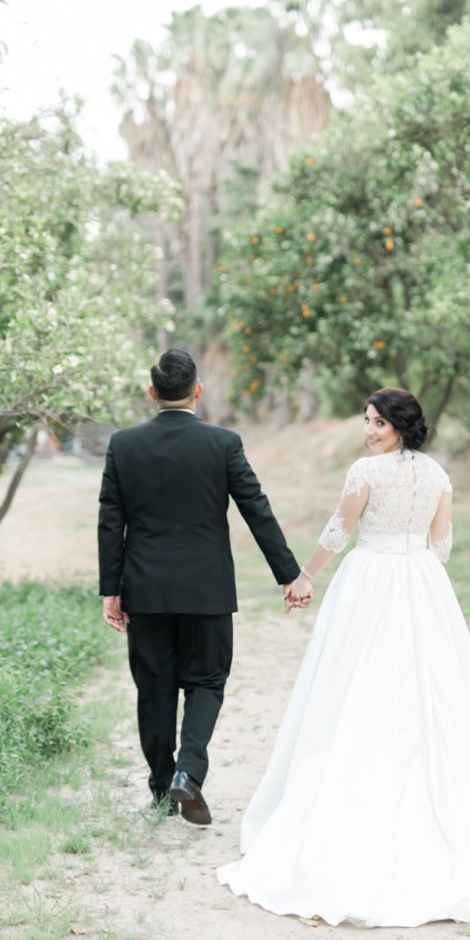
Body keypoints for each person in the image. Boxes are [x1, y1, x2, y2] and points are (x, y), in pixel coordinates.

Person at [216, 388, 470, 926]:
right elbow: (442, 546)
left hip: (371, 580)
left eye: (379, 424)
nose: (369, 432)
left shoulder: (365, 472)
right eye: (367, 422)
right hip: (422, 581)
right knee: (422, 684)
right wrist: (415, 572)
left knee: (360, 686)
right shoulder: (438, 475)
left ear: (400, 426)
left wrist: (305, 576)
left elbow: (340, 530)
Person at [98, 348, 313, 826]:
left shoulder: (123, 444)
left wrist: (110, 589)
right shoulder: (224, 443)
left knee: (153, 689)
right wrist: (289, 574)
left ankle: (160, 788)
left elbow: (110, 522)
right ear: (198, 389)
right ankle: (187, 773)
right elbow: (256, 509)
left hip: (145, 590)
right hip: (207, 589)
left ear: (152, 393)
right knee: (207, 682)